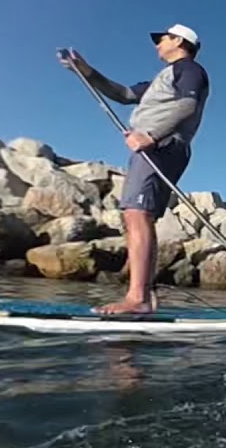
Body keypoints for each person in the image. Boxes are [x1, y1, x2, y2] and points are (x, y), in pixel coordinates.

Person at [57, 24, 210, 315]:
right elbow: (124, 93)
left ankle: (137, 298)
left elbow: (188, 105)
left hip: (160, 146)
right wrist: (86, 71)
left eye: (161, 39)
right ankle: (146, 298)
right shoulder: (162, 78)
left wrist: (151, 136)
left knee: (136, 214)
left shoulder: (189, 70)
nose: (156, 45)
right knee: (139, 215)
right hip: (154, 146)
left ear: (178, 40)